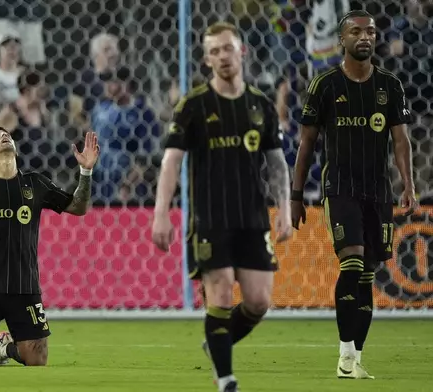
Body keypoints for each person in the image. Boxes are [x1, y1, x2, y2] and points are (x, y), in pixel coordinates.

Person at [151, 22, 292, 392]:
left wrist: (286, 211)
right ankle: (226, 379)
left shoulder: (261, 105)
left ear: (241, 51)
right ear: (206, 59)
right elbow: (171, 162)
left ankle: (217, 342)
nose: (221, 57)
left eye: (227, 48)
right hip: (210, 218)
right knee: (221, 290)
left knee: (260, 301)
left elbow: (277, 164)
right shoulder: (194, 105)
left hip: (252, 217)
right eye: (213, 51)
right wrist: (161, 213)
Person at [291, 10, 417, 380]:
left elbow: (400, 139)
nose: (365, 37)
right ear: (342, 39)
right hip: (340, 186)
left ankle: (356, 358)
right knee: (352, 263)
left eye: (371, 32)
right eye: (356, 32)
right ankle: (345, 353)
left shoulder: (390, 85)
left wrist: (408, 185)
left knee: (368, 276)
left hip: (378, 189)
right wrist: (296, 195)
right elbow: (307, 143)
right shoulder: (325, 85)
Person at [0, 128, 98, 367]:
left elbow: (78, 207)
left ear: (16, 149)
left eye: (7, 134)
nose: (3, 136)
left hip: (24, 286)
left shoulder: (35, 183)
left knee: (37, 358)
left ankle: (6, 348)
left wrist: (86, 171)